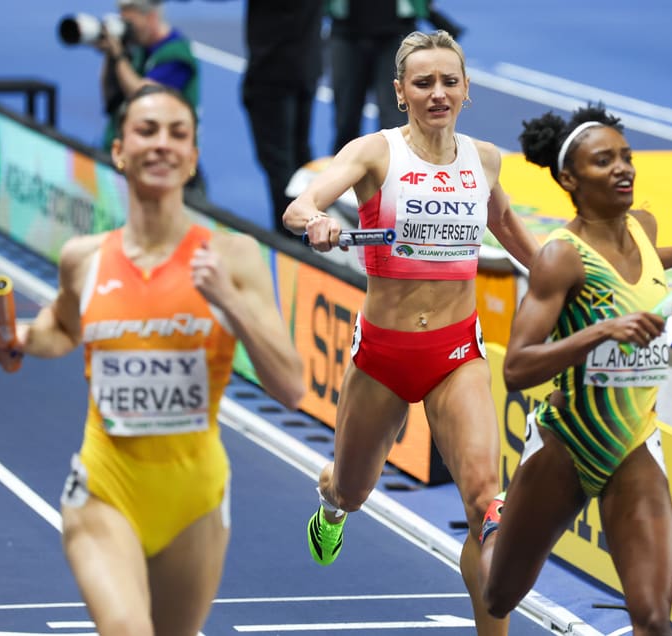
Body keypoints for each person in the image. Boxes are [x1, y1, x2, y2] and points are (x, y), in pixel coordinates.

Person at [0, 84, 305, 636]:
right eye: (147, 131)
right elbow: (62, 327)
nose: (162, 145)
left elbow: (292, 386)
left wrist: (228, 301)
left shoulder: (234, 257)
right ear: (119, 151)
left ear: (193, 158)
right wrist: (19, 341)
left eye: (178, 134)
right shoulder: (84, 259)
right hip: (105, 489)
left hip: (197, 499)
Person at [283, 30, 539, 636]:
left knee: (486, 505)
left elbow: (509, 228)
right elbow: (301, 204)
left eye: (449, 81)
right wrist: (316, 221)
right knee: (351, 490)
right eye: (423, 83)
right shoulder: (374, 153)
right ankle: (330, 505)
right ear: (400, 92)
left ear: (467, 89)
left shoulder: (484, 158)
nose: (437, 93)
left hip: (456, 352)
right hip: (384, 357)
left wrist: (567, 278)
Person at [477, 105, 672, 635]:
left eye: (626, 157)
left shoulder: (643, 228)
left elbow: (648, 257)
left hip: (634, 445)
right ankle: (498, 521)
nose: (623, 168)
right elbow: (515, 368)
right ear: (569, 179)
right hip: (567, 443)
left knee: (652, 618)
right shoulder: (561, 258)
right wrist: (600, 332)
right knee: (498, 596)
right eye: (604, 161)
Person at [96, 0, 205, 194]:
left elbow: (144, 96)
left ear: (151, 18)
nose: (128, 30)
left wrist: (119, 56)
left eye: (131, 24)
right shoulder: (139, 50)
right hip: (125, 156)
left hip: (162, 167)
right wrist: (109, 55)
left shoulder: (176, 54)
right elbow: (109, 98)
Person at [242, 0, 323, 233]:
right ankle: (310, 228)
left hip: (272, 70)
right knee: (299, 156)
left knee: (280, 163)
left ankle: (291, 238)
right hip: (305, 66)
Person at [326, 0, 426, 154]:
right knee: (345, 121)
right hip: (346, 30)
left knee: (394, 123)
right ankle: (345, 175)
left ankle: (395, 174)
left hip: (396, 32)